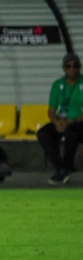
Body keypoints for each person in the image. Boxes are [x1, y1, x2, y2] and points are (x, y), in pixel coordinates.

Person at [37, 52, 83, 185]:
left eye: (75, 66)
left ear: (79, 67)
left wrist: (70, 121)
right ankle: (61, 168)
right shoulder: (57, 85)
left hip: (78, 122)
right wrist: (56, 122)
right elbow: (51, 110)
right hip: (62, 121)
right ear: (64, 68)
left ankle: (66, 167)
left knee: (71, 132)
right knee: (43, 133)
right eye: (68, 66)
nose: (72, 69)